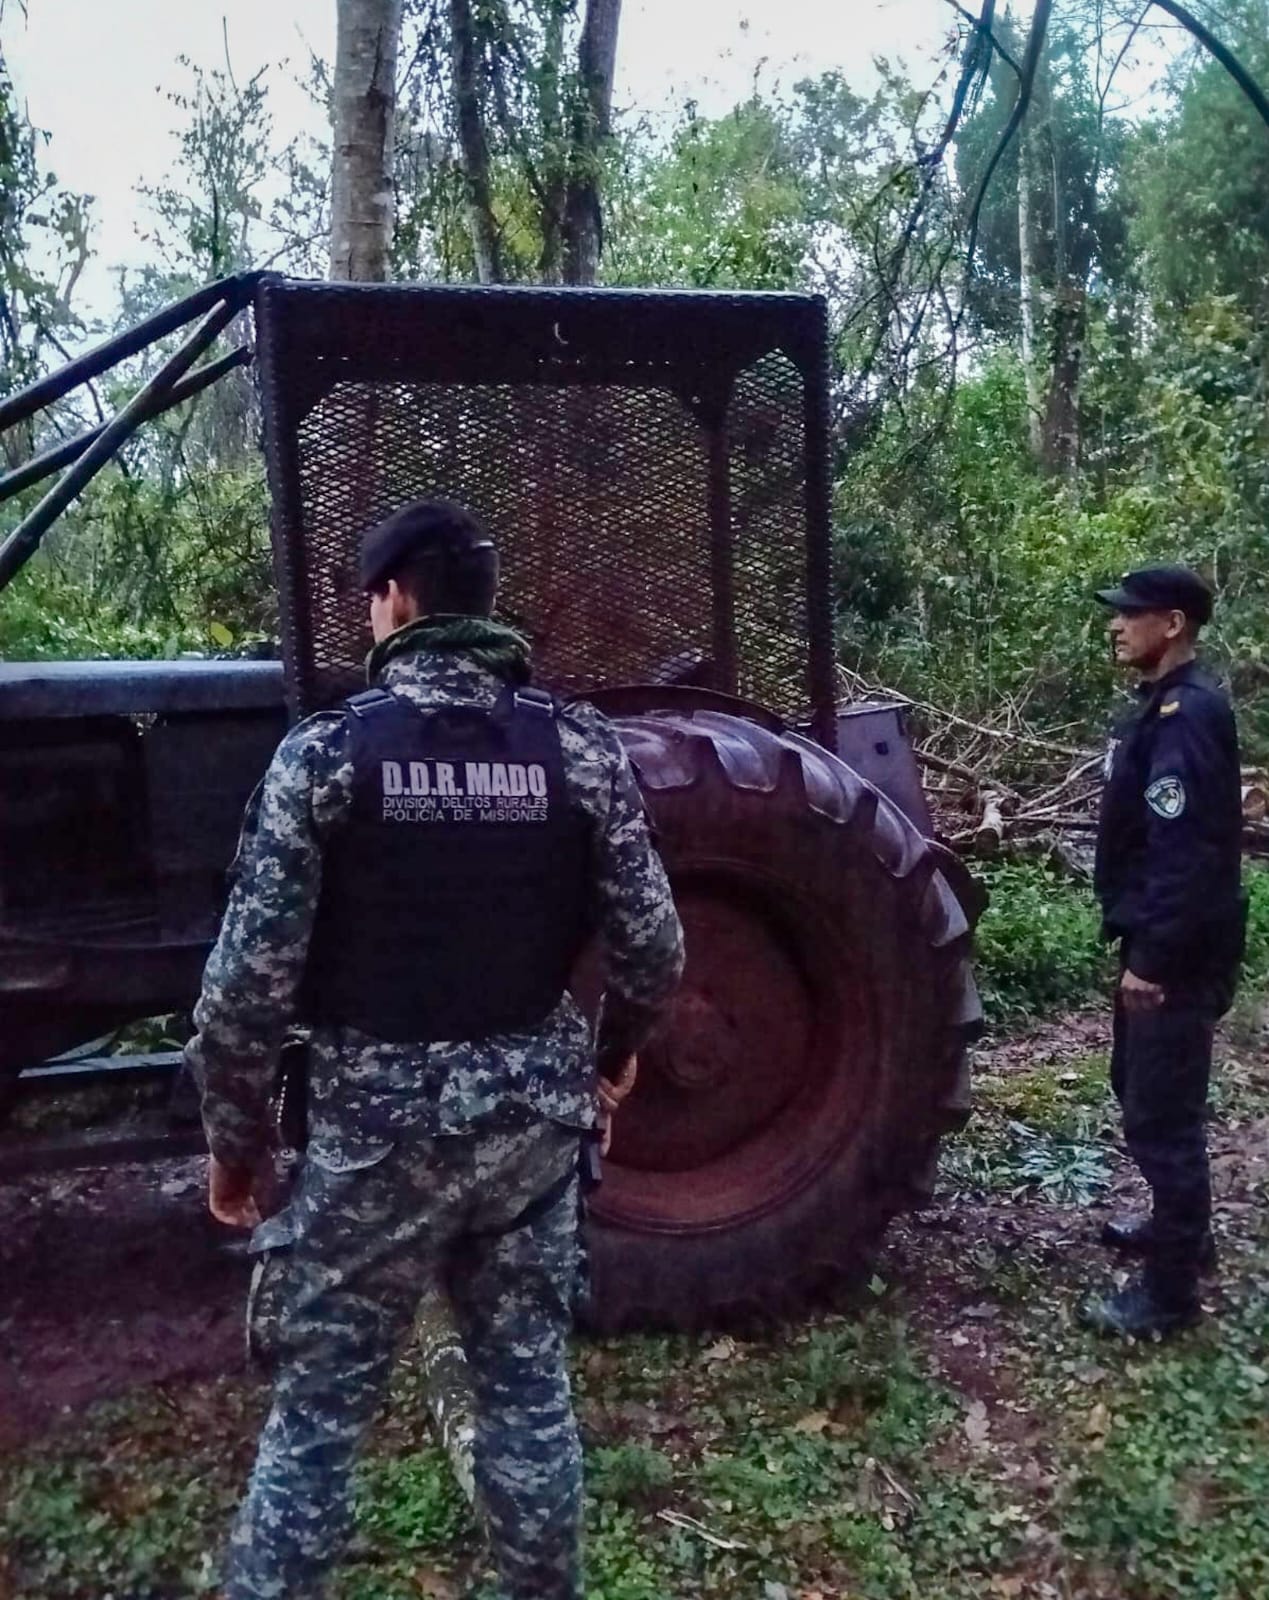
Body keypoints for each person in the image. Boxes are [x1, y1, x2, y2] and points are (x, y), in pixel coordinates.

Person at [185, 497, 685, 1599]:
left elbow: (243, 996)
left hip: (374, 1148)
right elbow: (654, 947)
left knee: (319, 1415)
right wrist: (616, 1053)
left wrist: (237, 1148)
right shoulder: (581, 750)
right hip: (528, 1138)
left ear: (396, 600)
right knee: (526, 1392)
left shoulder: (324, 758)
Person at [1082, 563, 1245, 1339]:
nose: (1115, 625)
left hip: (1175, 950)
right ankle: (1183, 1231)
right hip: (1157, 936)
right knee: (1138, 1088)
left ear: (1171, 624)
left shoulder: (1186, 715)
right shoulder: (1157, 707)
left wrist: (1150, 958)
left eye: (1129, 614)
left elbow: (1184, 855)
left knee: (1162, 1116)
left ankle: (1169, 1294)